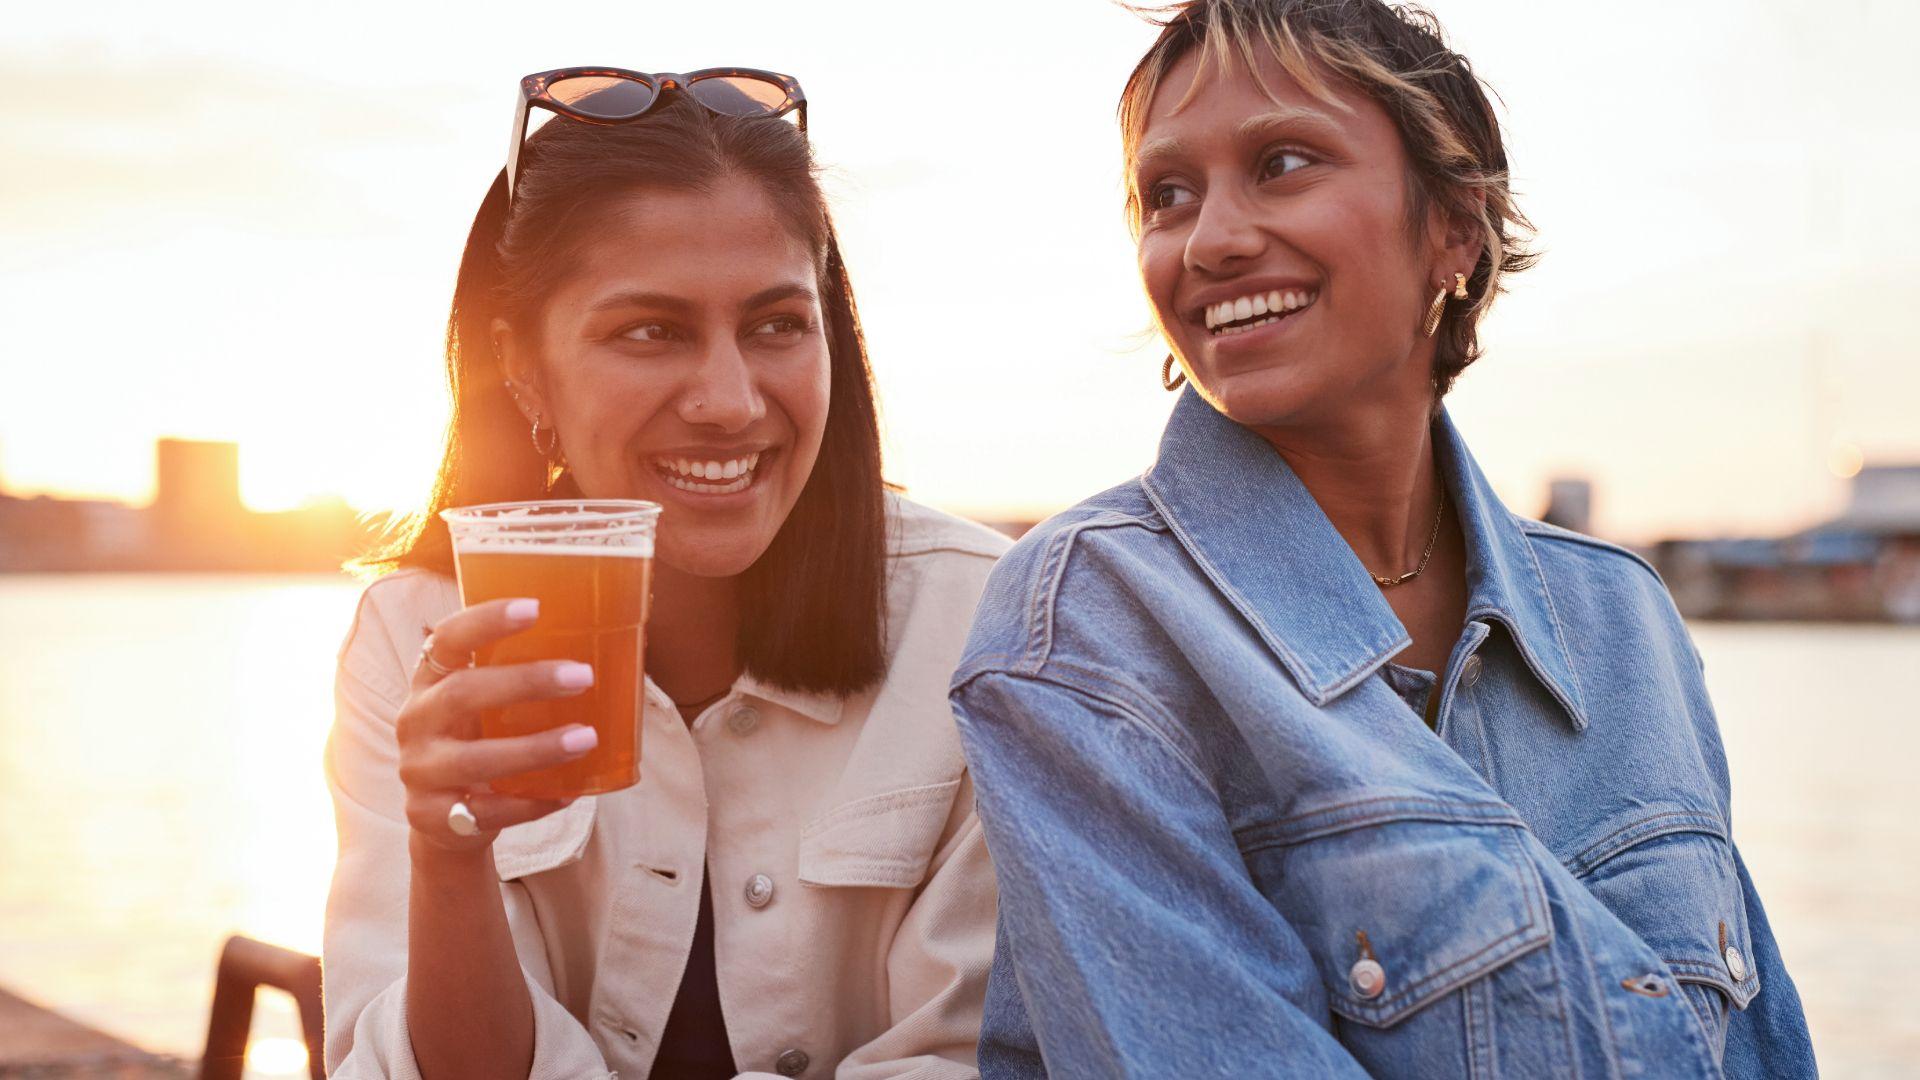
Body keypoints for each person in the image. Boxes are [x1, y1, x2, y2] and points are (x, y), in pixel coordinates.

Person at [948, 3, 1817, 1076]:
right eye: (1166, 194)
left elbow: (1763, 1047)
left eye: (1283, 162)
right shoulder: (1089, 622)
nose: (1210, 237)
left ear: (1454, 225)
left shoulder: (1622, 618)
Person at [323, 67, 1008, 1080]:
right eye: (651, 331)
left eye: (777, 323)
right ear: (521, 364)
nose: (729, 401)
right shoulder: (413, 635)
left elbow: (980, 1057)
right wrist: (449, 855)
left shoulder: (982, 622)